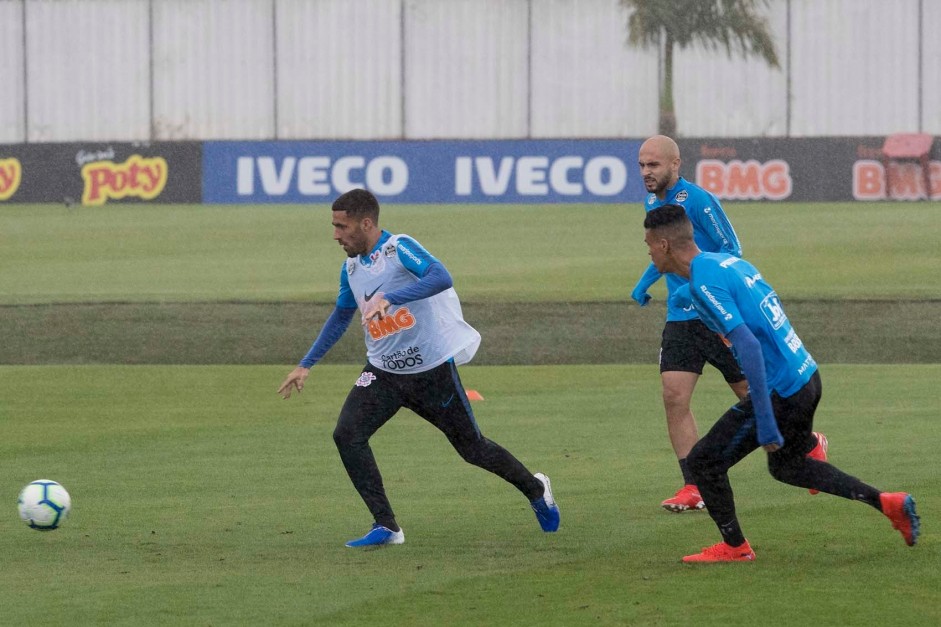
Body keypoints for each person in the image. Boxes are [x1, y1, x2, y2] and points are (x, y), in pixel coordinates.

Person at [277, 188, 560, 548]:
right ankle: (387, 526)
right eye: (333, 226)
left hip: (430, 373)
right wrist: (306, 365)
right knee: (347, 434)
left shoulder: (399, 248)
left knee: (472, 448)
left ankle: (536, 489)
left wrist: (391, 297)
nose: (335, 235)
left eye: (341, 226)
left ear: (366, 223)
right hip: (382, 373)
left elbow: (440, 276)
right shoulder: (350, 267)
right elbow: (341, 314)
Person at [642, 204, 919, 562]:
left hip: (779, 392)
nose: (647, 252)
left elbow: (749, 346)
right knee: (787, 467)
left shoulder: (704, 281)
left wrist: (766, 422)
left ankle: (735, 548)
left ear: (663, 244)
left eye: (648, 244)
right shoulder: (728, 265)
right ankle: (887, 503)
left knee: (704, 462)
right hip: (806, 376)